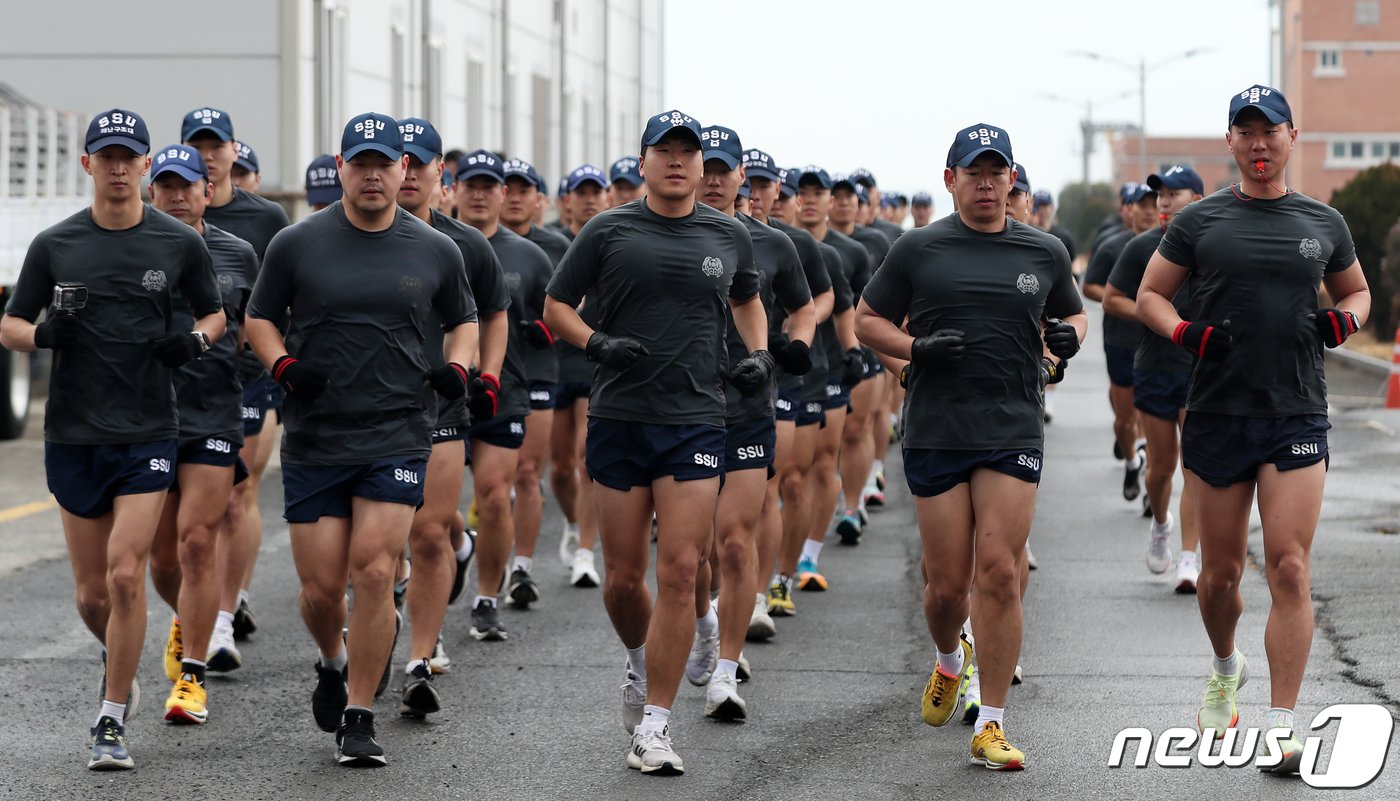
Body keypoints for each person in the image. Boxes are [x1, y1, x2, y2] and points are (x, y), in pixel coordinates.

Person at [1136, 86, 1369, 773]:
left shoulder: (1323, 221)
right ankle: (1224, 664)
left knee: (1291, 566)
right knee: (1219, 575)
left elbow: (1357, 291)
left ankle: (1284, 723)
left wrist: (1343, 319)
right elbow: (1150, 294)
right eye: (1246, 131)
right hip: (1216, 413)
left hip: (1295, 410)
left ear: (1293, 136)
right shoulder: (1200, 222)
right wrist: (1184, 331)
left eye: (1270, 130)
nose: (1259, 142)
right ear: (1231, 143)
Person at [244, 112, 478, 766]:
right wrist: (284, 366)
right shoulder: (297, 243)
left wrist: (457, 368)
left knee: (375, 570)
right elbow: (258, 318)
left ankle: (360, 712)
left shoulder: (436, 249)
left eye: (386, 163)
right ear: (342, 167)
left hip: (398, 431)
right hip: (317, 436)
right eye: (360, 162)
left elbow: (464, 322)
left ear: (406, 170)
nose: (373, 174)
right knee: (322, 589)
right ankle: (332, 658)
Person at [855, 123, 1086, 771]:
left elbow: (1072, 316)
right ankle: (950, 658)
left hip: (1012, 424)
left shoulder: (1042, 251)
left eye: (997, 172)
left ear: (1012, 178)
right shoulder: (918, 249)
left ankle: (991, 722)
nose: (986, 183)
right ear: (950, 177)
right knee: (947, 584)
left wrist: (1065, 341)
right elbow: (865, 320)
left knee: (1002, 571)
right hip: (937, 427)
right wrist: (915, 348)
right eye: (973, 171)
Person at [543, 109, 767, 776]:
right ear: (641, 162)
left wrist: (756, 352)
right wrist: (596, 341)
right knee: (620, 580)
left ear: (703, 168)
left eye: (687, 153)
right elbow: (556, 305)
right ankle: (639, 661)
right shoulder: (608, 229)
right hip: (619, 418)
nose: (676, 161)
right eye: (663, 151)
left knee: (680, 567)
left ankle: (656, 725)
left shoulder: (729, 234)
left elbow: (748, 300)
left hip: (697, 418)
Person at [1, 108, 226, 770]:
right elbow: (9, 324)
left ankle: (111, 715)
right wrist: (42, 335)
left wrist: (194, 339)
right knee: (94, 594)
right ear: (88, 165)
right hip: (74, 430)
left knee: (127, 574)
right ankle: (121, 649)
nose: (120, 166)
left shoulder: (177, 243)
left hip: (148, 428)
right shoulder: (55, 243)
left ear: (147, 164)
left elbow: (215, 313)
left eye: (131, 155)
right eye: (109, 155)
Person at [689, 125, 814, 719]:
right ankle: (705, 622)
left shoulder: (773, 245)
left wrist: (792, 346)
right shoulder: (657, 235)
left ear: (744, 179)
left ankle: (724, 672)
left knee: (734, 544)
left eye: (724, 170)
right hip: (677, 410)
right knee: (691, 554)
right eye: (704, 167)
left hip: (746, 406)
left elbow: (806, 305)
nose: (713, 180)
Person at [144, 144, 256, 726]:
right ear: (151, 191)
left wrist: (264, 380)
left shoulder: (237, 253)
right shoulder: (134, 249)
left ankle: (192, 679)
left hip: (215, 413)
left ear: (207, 191)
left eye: (188, 185)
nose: (179, 194)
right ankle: (188, 615)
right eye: (166, 185)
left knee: (195, 542)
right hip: (148, 417)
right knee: (162, 561)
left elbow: (263, 324)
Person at [390, 117, 495, 708]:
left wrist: (485, 373)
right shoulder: (341, 238)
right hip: (369, 408)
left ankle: (419, 658)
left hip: (441, 402)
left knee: (427, 532)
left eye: (420, 162)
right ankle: (380, 626)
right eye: (398, 160)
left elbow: (487, 315)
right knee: (382, 544)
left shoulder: (463, 245)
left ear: (438, 174)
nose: (408, 172)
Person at [183, 107, 292, 659]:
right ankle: (206, 605)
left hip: (248, 376)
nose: (207, 154)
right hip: (181, 383)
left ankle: (226, 611)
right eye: (196, 144)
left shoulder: (265, 219)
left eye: (216, 144)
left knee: (238, 495)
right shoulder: (164, 216)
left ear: (232, 150)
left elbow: (282, 294)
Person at [453, 149, 555, 617]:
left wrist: (544, 329)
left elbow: (561, 308)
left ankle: (487, 596)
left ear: (504, 194)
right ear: (454, 189)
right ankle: (457, 545)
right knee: (428, 509)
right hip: (438, 392)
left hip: (504, 389)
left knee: (495, 496)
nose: (479, 194)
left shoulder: (529, 256)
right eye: (469, 185)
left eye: (488, 186)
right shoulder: (433, 241)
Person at [741, 147, 834, 636]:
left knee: (785, 484)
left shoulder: (792, 244)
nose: (754, 194)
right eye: (747, 183)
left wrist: (794, 340)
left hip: (790, 375)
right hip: (728, 381)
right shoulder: (710, 236)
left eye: (763, 185)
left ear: (780, 189)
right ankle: (733, 591)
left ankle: (775, 580)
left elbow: (820, 299)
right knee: (748, 495)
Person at [1104, 165, 1205, 591]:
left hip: (1201, 371)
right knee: (1162, 468)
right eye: (1159, 195)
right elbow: (1111, 299)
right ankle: (1161, 524)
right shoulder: (1143, 246)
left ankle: (1189, 557)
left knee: (1195, 466)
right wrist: (1157, 316)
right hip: (1154, 367)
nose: (1163, 201)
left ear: (1197, 199)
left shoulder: (1213, 246)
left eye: (1173, 193)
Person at [500, 157, 591, 587]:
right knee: (529, 473)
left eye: (524, 190)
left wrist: (548, 325)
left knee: (534, 469)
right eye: (508, 188)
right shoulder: (463, 242)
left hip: (542, 368)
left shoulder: (553, 246)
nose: (514, 197)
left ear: (540, 200)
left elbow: (581, 297)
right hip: (485, 375)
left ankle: (523, 566)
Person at [794, 166, 867, 578]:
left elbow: (846, 308)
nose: (807, 199)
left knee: (823, 464)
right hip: (781, 370)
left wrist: (854, 351)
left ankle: (809, 553)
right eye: (798, 191)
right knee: (787, 475)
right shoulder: (767, 243)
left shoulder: (842, 253)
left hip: (828, 368)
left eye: (815, 192)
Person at [549, 164, 611, 588]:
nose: (589, 199)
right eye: (580, 191)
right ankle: (573, 524)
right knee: (560, 466)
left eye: (596, 191)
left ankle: (586, 551)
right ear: (565, 199)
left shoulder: (616, 239)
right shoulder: (550, 243)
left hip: (597, 362)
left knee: (588, 459)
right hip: (553, 364)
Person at [1083, 183, 1158, 509]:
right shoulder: (1113, 247)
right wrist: (1127, 303)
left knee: (1154, 417)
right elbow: (1090, 287)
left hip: (1157, 346)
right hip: (1120, 340)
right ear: (1129, 209)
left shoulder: (1172, 246)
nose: (1149, 210)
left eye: (1154, 203)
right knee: (1125, 418)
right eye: (1141, 205)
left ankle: (1154, 485)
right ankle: (1132, 461)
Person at [851, 168, 905, 242]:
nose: (862, 193)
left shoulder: (895, 232)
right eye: (856, 190)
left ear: (878, 197)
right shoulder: (839, 230)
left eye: (867, 189)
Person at [1029, 190, 1077, 263]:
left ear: (1052, 208)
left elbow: (1072, 265)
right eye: (1038, 206)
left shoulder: (1064, 237)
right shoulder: (1026, 235)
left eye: (1044, 206)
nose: (1041, 210)